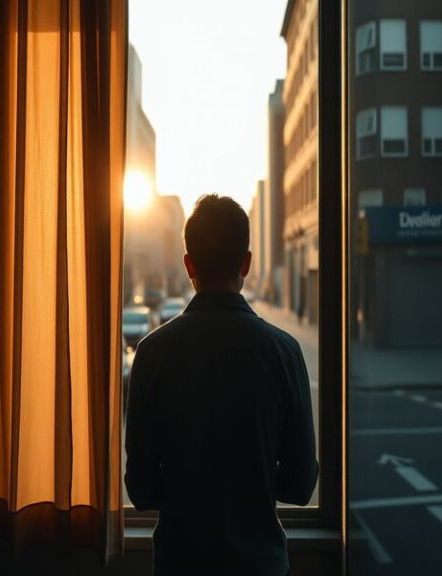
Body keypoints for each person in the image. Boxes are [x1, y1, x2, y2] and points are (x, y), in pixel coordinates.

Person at [125, 194, 318, 576]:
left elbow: (142, 490)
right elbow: (300, 485)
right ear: (246, 263)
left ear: (188, 265)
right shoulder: (284, 352)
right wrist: (252, 475)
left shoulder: (152, 354)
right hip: (260, 566)